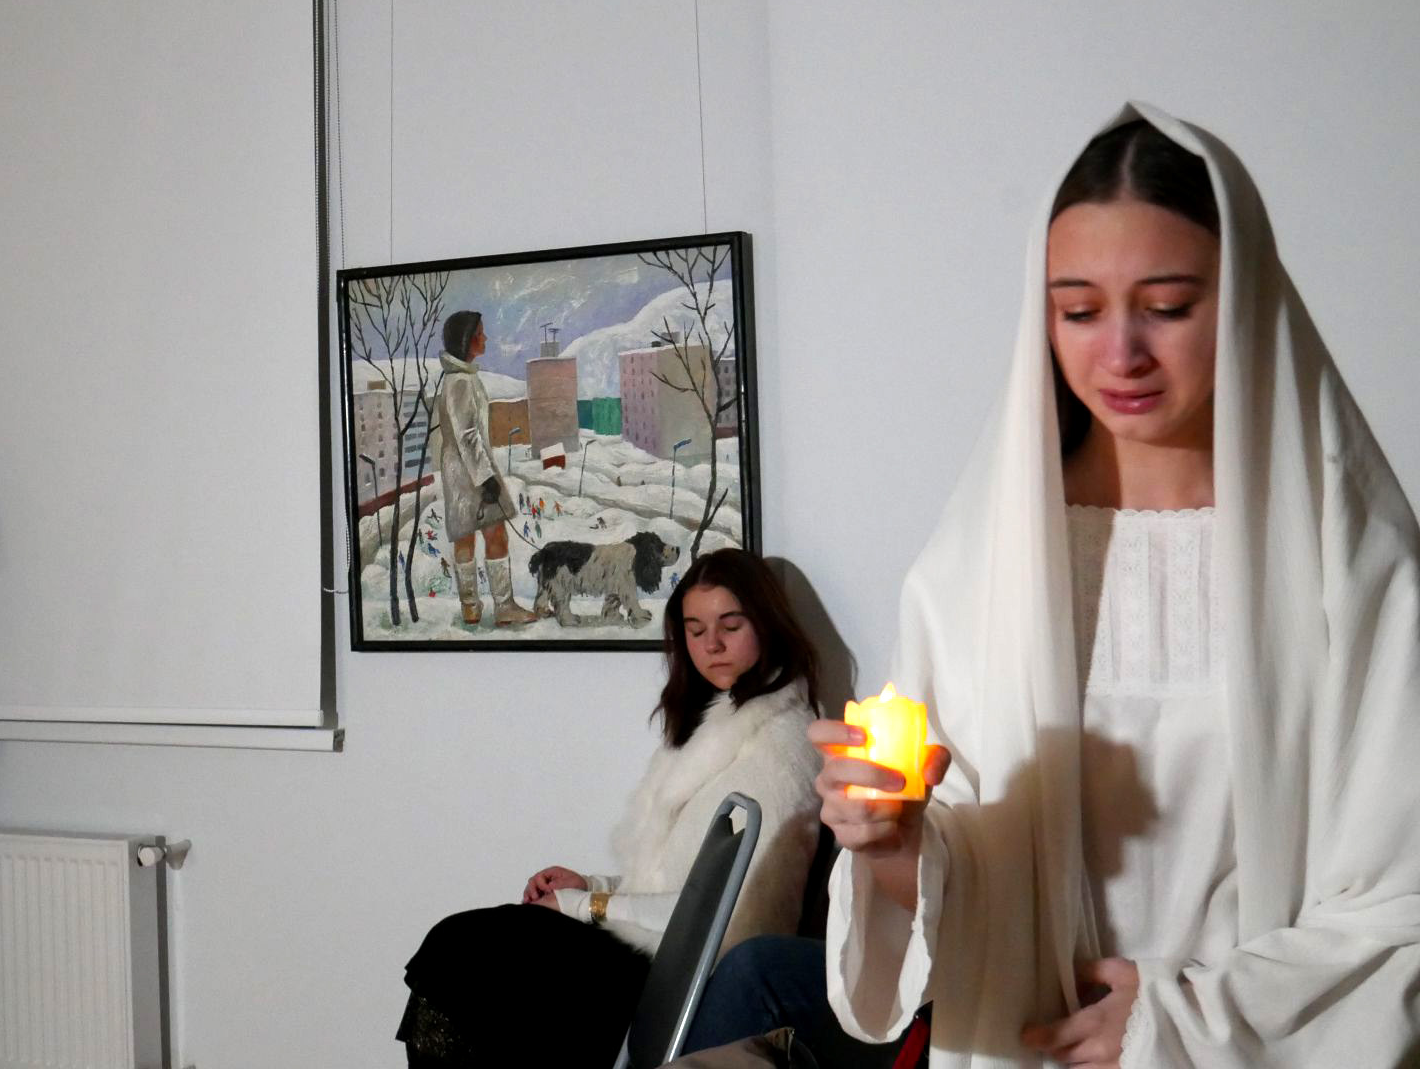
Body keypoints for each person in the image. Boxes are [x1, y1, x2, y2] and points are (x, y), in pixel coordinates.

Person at [801, 104, 1418, 1069]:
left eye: (1167, 306)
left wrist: (1185, 1021)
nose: (1121, 353)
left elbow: (1403, 899)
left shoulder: (1351, 565)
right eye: (1079, 311)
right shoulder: (976, 570)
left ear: (1246, 297)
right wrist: (889, 845)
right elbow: (943, 875)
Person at [397, 547, 824, 1068]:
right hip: (645, 948)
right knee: (462, 953)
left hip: (677, 977)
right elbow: (676, 879)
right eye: (695, 630)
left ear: (768, 624)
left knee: (464, 952)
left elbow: (724, 914)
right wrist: (591, 885)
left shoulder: (782, 748)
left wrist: (585, 906)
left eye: (730, 626)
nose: (711, 644)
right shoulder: (710, 729)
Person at [432, 310, 537, 626]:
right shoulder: (462, 383)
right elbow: (468, 436)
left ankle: (470, 608)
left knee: (464, 539)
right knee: (496, 536)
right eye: (480, 332)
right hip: (473, 475)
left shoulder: (455, 380)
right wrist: (486, 478)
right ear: (466, 340)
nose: (486, 337)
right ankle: (504, 607)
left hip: (457, 474)